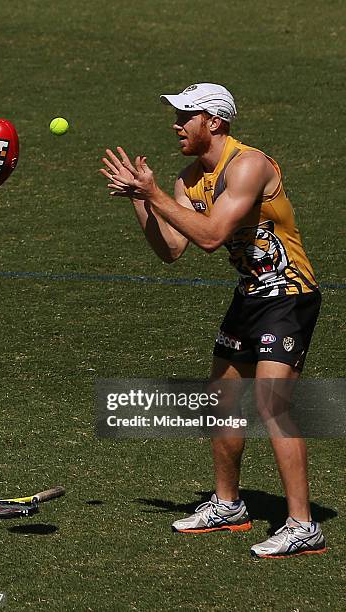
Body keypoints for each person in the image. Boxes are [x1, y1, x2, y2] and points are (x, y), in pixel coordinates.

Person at [99, 83, 326, 559]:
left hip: (289, 294)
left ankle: (304, 526)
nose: (176, 125)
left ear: (215, 122)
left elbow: (211, 236)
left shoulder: (249, 165)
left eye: (186, 116)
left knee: (272, 404)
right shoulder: (188, 179)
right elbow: (172, 249)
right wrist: (140, 200)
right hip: (250, 295)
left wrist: (154, 192)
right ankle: (228, 505)